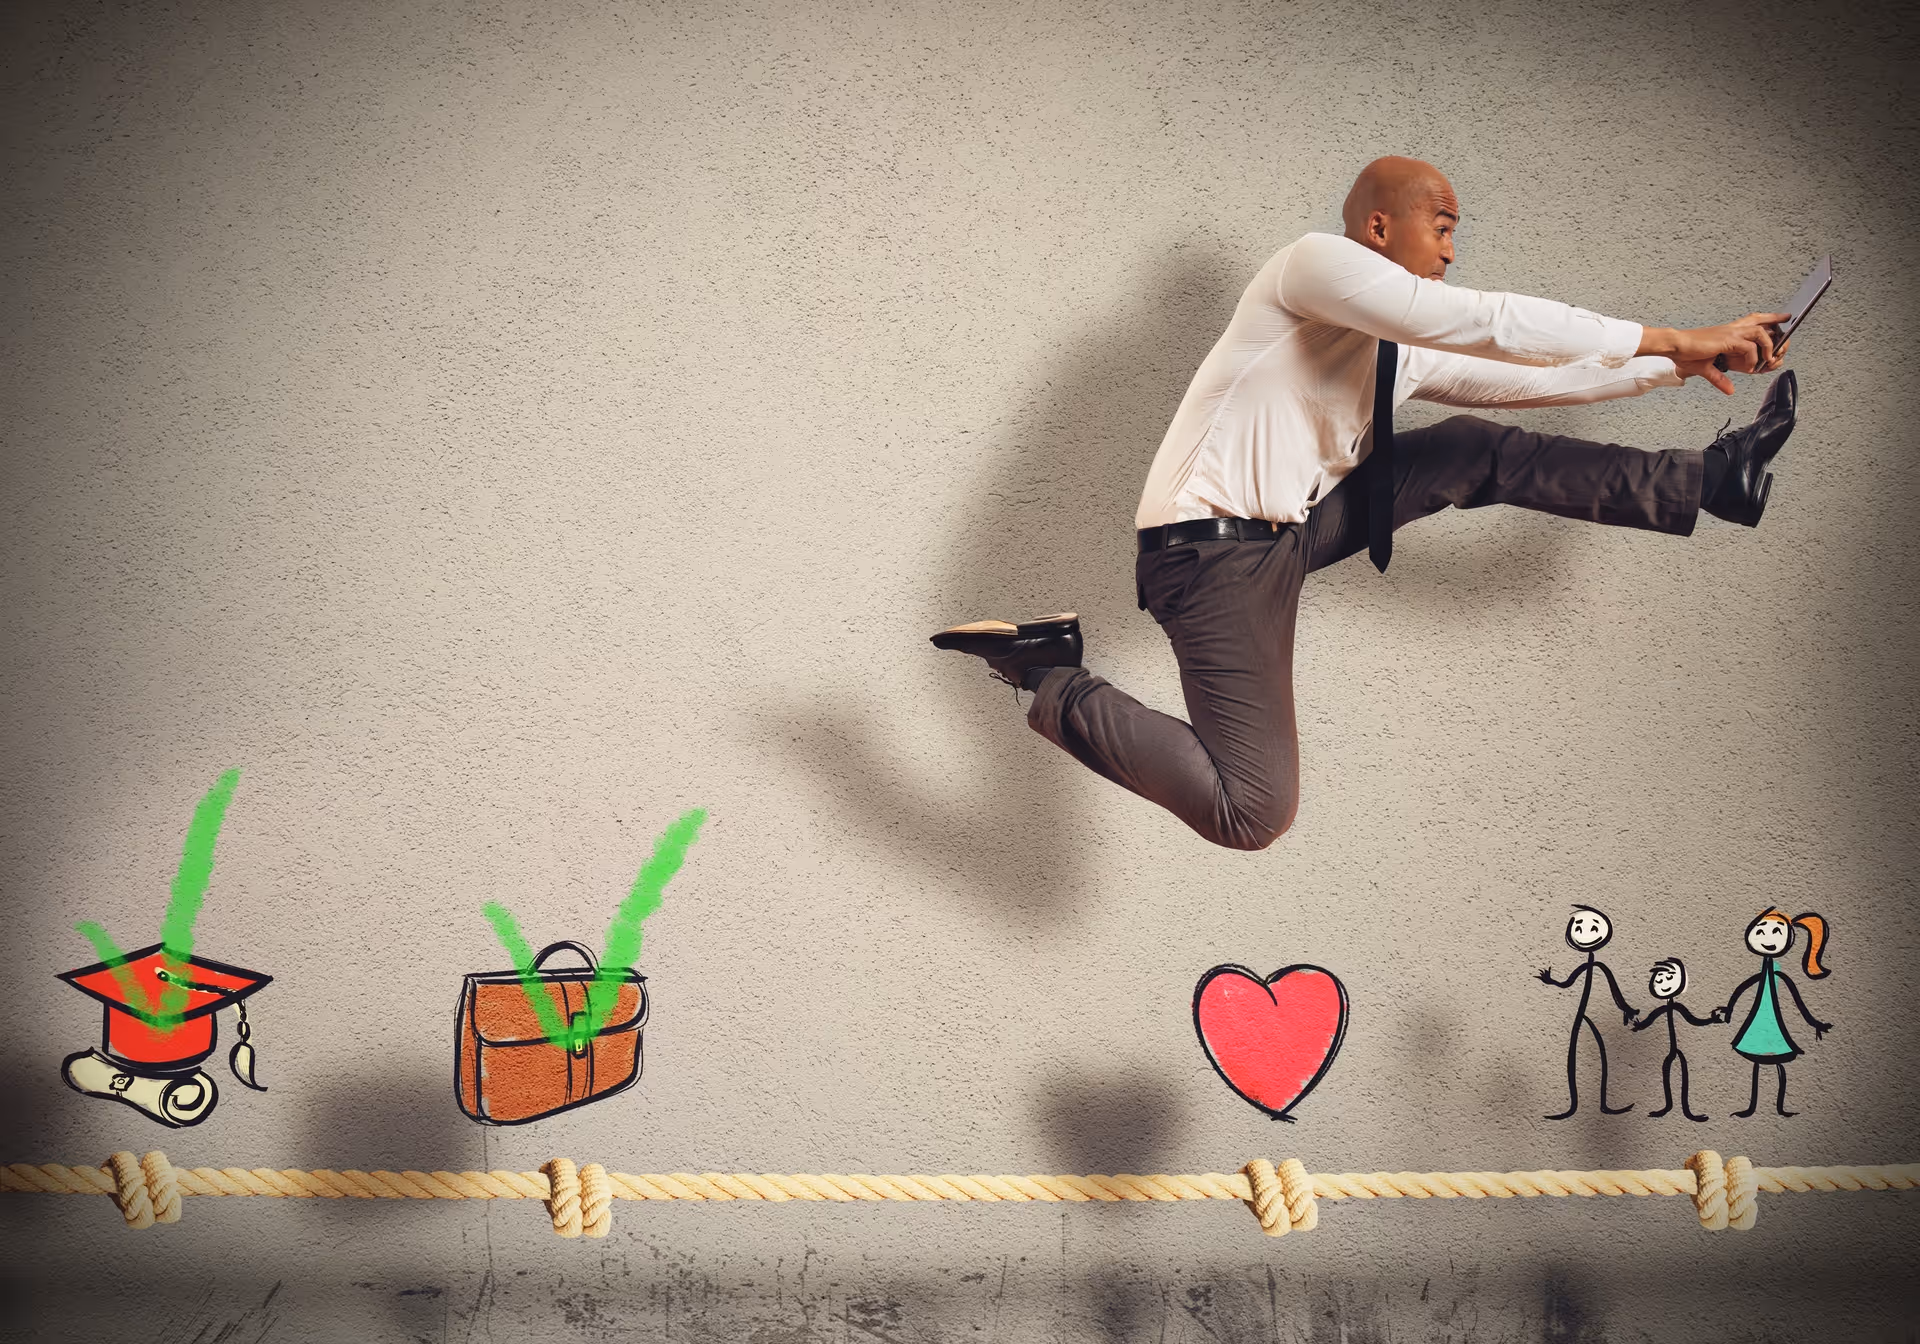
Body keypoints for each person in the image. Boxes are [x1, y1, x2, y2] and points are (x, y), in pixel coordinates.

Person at [931, 156, 1797, 850]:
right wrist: (1673, 333)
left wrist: (1672, 368)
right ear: (1380, 225)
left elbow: (1535, 378)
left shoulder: (1396, 349)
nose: (1452, 250)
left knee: (1469, 446)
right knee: (1253, 813)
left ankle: (1711, 480)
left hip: (1282, 541)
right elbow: (1484, 322)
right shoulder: (1309, 267)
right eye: (1443, 226)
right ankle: (1047, 670)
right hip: (1205, 556)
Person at [1712, 909, 1832, 1118]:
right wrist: (1729, 1010)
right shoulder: (1762, 973)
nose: (1767, 938)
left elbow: (1797, 1001)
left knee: (1776, 1064)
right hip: (1760, 1023)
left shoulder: (1778, 974)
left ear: (1789, 938)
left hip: (1771, 1024)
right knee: (1758, 1064)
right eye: (1761, 932)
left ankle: (1780, 1106)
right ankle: (1753, 1107)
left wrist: (1814, 1023)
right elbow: (1742, 989)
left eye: (1777, 932)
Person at [1536, 905, 1638, 1120]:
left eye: (1593, 928)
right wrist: (1551, 981)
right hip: (1581, 1016)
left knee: (1599, 1055)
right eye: (1579, 927)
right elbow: (1568, 983)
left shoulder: (1600, 967)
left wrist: (1626, 1009)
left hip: (1591, 1015)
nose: (1584, 934)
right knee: (1574, 1055)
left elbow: (1615, 991)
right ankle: (1573, 1105)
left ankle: (1603, 1104)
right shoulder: (1586, 967)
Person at [1631, 957, 1714, 1121]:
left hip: (1678, 1050)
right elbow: (1649, 1020)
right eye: (1659, 979)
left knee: (1683, 1076)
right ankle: (1668, 1106)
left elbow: (1693, 1020)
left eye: (1669, 978)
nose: (1664, 983)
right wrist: (1639, 1026)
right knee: (1667, 1074)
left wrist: (1711, 1020)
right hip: (1669, 1051)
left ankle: (1686, 1110)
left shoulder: (1679, 1007)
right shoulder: (1661, 1009)